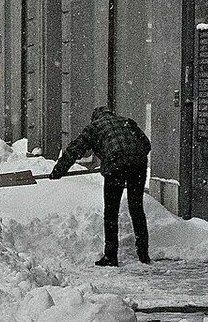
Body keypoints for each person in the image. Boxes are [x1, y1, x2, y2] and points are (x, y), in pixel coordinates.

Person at [51, 105, 152, 266]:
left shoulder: (94, 128)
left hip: (115, 165)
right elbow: (146, 144)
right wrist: (132, 156)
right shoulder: (126, 121)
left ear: (95, 118)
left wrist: (58, 170)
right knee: (136, 208)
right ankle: (143, 254)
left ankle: (111, 256)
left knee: (111, 212)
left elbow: (75, 150)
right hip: (138, 163)